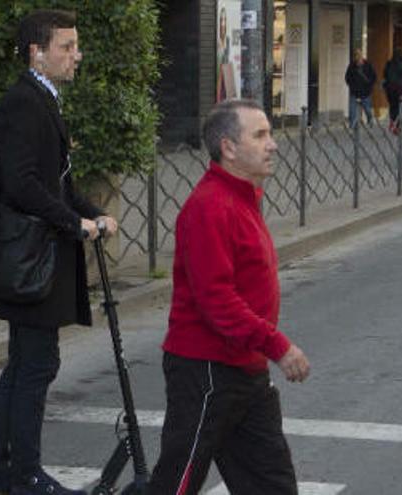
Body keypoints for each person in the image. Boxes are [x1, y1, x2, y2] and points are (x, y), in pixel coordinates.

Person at [0, 9, 119, 495]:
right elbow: (22, 183)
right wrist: (74, 223)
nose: (77, 55)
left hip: (40, 257)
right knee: (33, 367)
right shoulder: (23, 102)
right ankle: (24, 475)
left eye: (76, 46)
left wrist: (93, 212)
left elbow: (59, 183)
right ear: (37, 52)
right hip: (30, 260)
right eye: (67, 47)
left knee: (27, 366)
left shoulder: (43, 100)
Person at [147, 99, 311, 495]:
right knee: (178, 482)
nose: (272, 144)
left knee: (271, 483)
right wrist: (279, 346)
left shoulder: (242, 198)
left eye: (270, 133)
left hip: (245, 370)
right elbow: (217, 300)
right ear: (229, 148)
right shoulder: (209, 207)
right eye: (260, 134)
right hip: (206, 371)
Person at [345, 48, 377, 128]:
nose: (357, 58)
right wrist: (351, 86)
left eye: (359, 56)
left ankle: (370, 119)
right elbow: (347, 77)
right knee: (352, 110)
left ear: (361, 56)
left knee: (367, 109)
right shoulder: (352, 66)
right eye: (356, 56)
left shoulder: (368, 65)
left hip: (365, 92)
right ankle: (352, 125)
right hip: (354, 92)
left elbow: (373, 76)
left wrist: (369, 86)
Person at [383, 48, 402, 132]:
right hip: (400, 89)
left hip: (390, 89)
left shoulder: (389, 64)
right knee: (399, 107)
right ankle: (397, 125)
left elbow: (385, 74)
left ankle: (392, 122)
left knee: (392, 106)